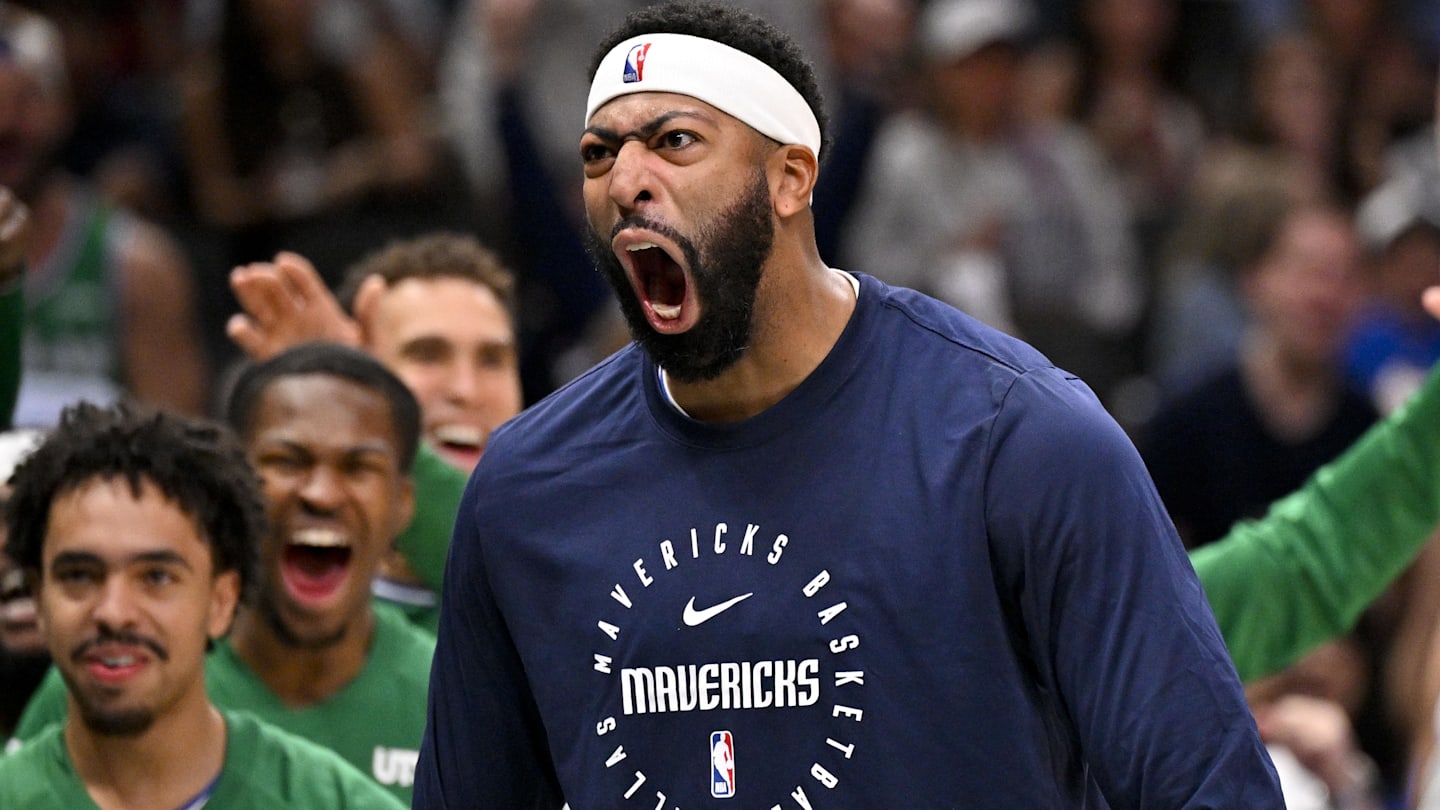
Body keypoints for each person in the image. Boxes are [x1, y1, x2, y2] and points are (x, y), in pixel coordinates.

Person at [413, 3, 1282, 806]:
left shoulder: (1017, 440)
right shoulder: (526, 488)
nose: (625, 180)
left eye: (674, 141)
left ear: (791, 178)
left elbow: (1210, 786)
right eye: (599, 154)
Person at [14, 343, 436, 804]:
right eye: (79, 575)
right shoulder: (41, 746)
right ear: (38, 598)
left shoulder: (337, 794)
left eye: (156, 577)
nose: (115, 612)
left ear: (223, 599)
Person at [226, 236, 523, 633]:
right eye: (427, 354)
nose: (465, 390)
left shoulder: (569, 551)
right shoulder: (263, 601)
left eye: (492, 360)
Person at [2, 6, 208, 427]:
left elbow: (181, 449)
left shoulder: (137, 265)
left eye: (24, 101)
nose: (4, 124)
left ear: (63, 106)